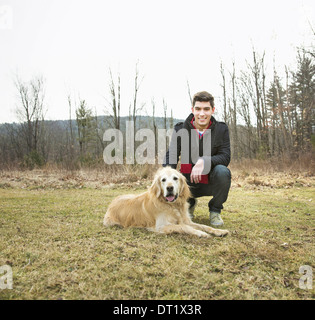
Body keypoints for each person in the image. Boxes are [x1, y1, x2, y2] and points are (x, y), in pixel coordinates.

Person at [163, 91, 231, 227]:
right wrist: (165, 176)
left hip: (210, 180)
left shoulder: (221, 129)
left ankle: (215, 210)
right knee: (173, 177)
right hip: (187, 182)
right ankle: (189, 203)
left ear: (212, 110)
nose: (202, 113)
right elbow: (171, 156)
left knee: (223, 171)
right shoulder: (180, 129)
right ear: (192, 109)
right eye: (198, 109)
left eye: (206, 109)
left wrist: (204, 161)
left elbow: (225, 156)